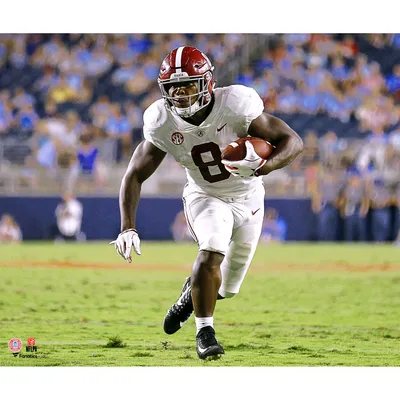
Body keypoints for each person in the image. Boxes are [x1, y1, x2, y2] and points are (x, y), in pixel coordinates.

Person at [110, 46, 303, 360]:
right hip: (205, 195)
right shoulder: (161, 120)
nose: (181, 96)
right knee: (212, 248)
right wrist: (127, 227)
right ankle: (205, 332)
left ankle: (191, 292)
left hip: (250, 197)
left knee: (225, 288)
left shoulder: (236, 104)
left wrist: (264, 166)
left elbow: (292, 141)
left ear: (207, 82)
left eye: (188, 87)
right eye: (174, 89)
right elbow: (134, 174)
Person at [339, 172, 369, 242]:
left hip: (358, 208)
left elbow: (364, 199)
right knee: (349, 228)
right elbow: (344, 200)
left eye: (356, 178)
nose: (355, 180)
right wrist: (342, 210)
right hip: (349, 208)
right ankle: (349, 243)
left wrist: (364, 209)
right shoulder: (347, 188)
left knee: (360, 228)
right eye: (353, 178)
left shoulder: (361, 188)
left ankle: (362, 243)